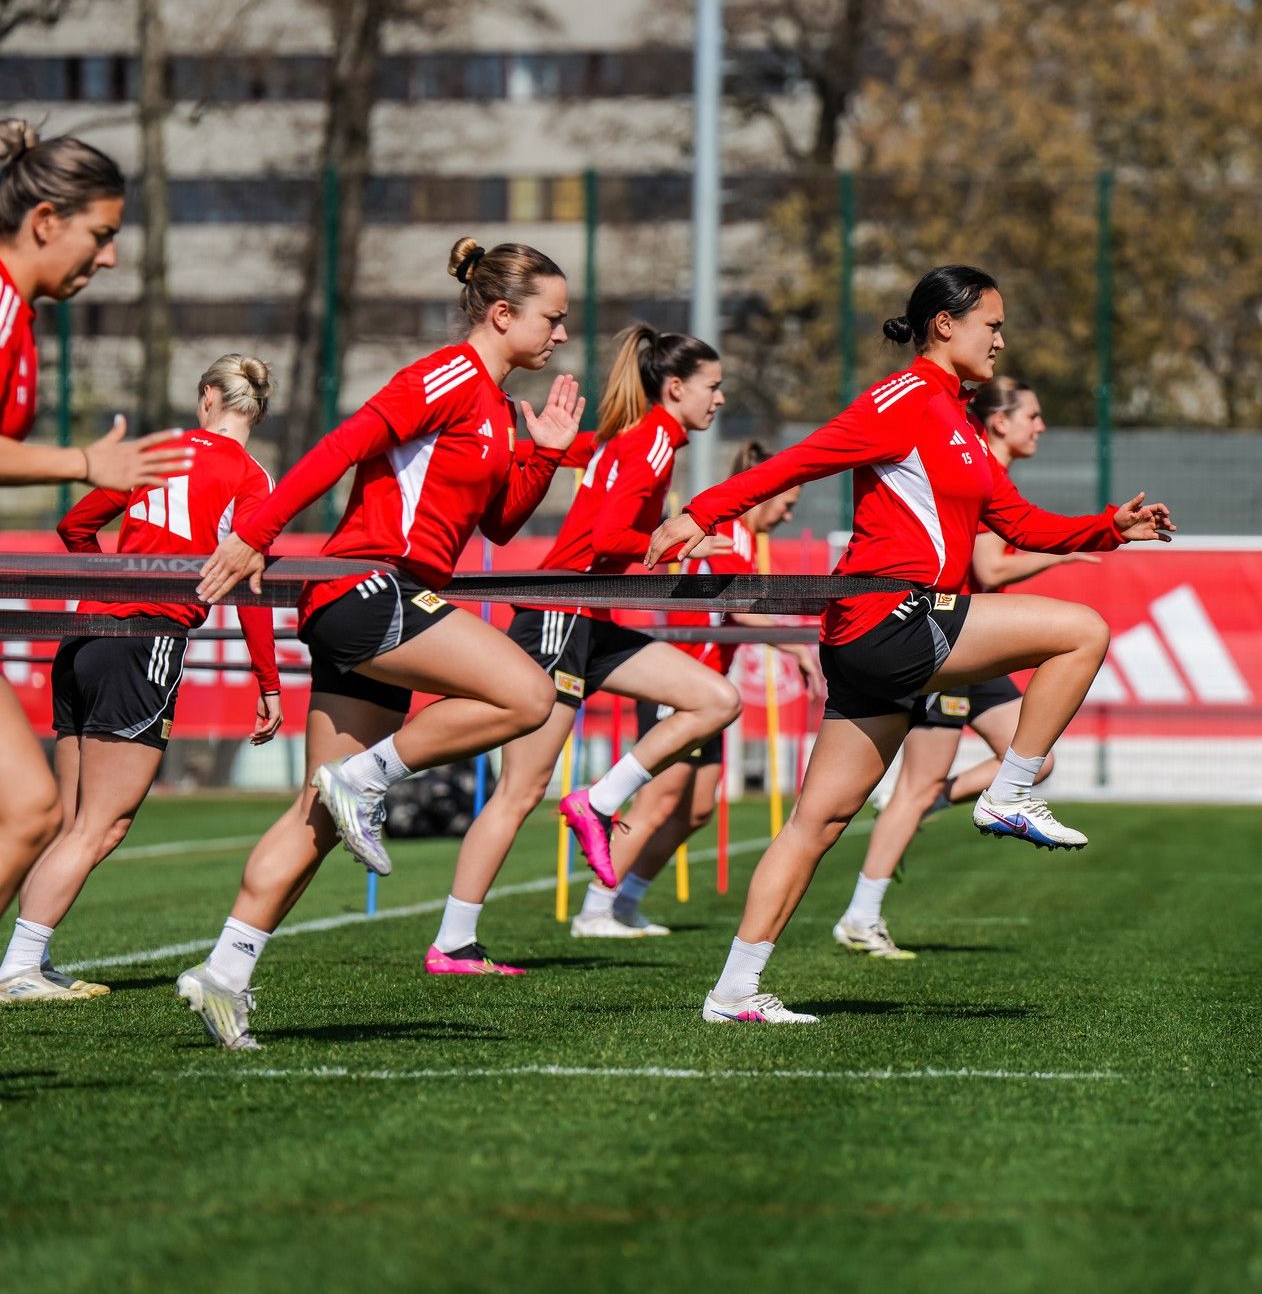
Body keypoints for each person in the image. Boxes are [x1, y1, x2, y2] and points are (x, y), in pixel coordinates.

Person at [643, 264, 1174, 1024]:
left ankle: (733, 991)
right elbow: (800, 460)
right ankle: (1009, 792)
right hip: (890, 617)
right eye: (991, 324)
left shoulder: (959, 419)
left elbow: (1020, 524)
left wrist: (1109, 527)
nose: (1000, 339)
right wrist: (701, 513)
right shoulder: (902, 399)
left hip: (883, 634)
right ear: (944, 325)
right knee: (1082, 631)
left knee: (817, 824)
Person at [179, 237, 584, 1049]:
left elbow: (501, 522)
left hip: (385, 603)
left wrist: (544, 452)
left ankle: (223, 973)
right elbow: (342, 445)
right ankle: (364, 778)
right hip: (368, 590)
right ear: (503, 314)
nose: (563, 334)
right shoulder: (444, 376)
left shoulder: (498, 408)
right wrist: (256, 531)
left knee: (316, 818)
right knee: (530, 694)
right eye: (554, 317)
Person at [435, 324, 745, 972]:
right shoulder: (652, 439)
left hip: (588, 618)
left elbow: (591, 471)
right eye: (712, 387)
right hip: (559, 614)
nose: (720, 399)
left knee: (715, 698)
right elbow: (608, 537)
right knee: (520, 791)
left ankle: (598, 801)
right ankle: (452, 940)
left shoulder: (641, 437)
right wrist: (675, 540)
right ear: (676, 387)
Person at [0, 355, 282, 1003]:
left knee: (69, 821)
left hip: (82, 637)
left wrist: (107, 585)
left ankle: (28, 961)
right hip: (145, 640)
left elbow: (74, 525)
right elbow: (250, 584)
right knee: (101, 826)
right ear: (257, 410)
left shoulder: (159, 453)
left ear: (207, 396)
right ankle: (18, 968)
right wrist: (267, 682)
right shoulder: (251, 476)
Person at [0, 119, 192, 927]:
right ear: (46, 221)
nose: (108, 257)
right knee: (31, 809)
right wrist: (84, 462)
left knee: (32, 809)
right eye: (102, 235)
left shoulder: (17, 316)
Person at [833, 376, 1096, 960]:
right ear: (1000, 421)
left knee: (1036, 758)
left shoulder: (989, 471)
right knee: (917, 785)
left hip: (976, 649)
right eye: (1032, 415)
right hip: (944, 644)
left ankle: (933, 803)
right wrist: (1061, 554)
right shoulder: (967, 468)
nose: (1041, 426)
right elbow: (991, 570)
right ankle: (861, 915)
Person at [572, 441, 822, 938]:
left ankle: (626, 902)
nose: (788, 516)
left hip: (709, 691)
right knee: (657, 803)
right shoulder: (725, 532)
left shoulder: (745, 540)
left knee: (698, 808)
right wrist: (796, 647)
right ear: (765, 492)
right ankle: (594, 911)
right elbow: (739, 609)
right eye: (787, 503)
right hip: (680, 685)